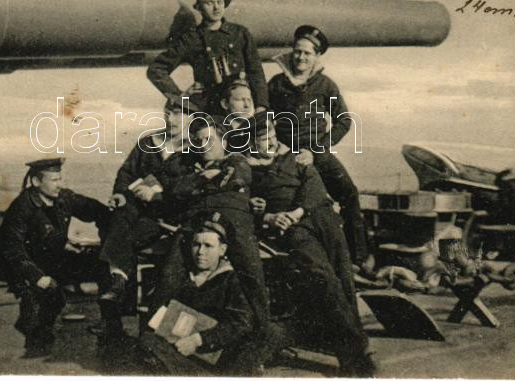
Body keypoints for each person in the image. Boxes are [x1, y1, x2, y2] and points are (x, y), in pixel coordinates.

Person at [246, 115, 375, 377]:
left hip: (320, 217)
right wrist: (267, 216)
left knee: (344, 279)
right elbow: (243, 202)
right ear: (251, 142)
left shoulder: (296, 157)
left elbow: (314, 184)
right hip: (294, 229)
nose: (271, 142)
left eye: (272, 136)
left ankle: (356, 350)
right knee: (324, 278)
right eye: (263, 139)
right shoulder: (247, 169)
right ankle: (354, 355)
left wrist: (297, 212)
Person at [151, 120, 279, 361]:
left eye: (209, 139)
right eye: (198, 141)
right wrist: (203, 179)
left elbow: (237, 178)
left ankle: (261, 341)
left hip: (234, 219)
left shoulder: (237, 160)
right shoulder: (192, 166)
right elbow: (173, 189)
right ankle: (154, 338)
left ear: (224, 141)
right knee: (169, 273)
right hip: (197, 221)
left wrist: (198, 185)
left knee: (251, 274)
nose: (203, 145)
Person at [268, 25, 371, 270]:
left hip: (316, 151)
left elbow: (344, 120)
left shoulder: (325, 85)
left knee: (349, 193)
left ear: (316, 56)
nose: (301, 57)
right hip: (286, 154)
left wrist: (316, 150)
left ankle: (358, 259)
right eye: (298, 51)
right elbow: (264, 117)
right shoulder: (276, 84)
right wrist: (277, 146)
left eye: (307, 53)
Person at [96, 100, 190, 342]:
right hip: (136, 207)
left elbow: (187, 189)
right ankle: (118, 281)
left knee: (119, 236)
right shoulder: (148, 143)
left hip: (165, 215)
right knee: (118, 215)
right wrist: (119, 193)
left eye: (179, 114)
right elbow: (127, 172)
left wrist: (156, 195)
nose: (171, 120)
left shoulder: (195, 148)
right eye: (168, 113)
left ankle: (118, 281)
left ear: (191, 118)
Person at [0, 158, 111, 357]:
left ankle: (111, 324)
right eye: (54, 180)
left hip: (57, 259)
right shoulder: (21, 208)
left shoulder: (63, 198)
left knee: (103, 264)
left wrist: (111, 224)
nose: (60, 184)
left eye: (60, 179)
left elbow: (96, 210)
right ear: (36, 181)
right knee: (38, 322)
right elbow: (12, 249)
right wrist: (36, 277)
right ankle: (33, 341)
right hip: (29, 268)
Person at [140, 218, 257, 375]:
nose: (200, 252)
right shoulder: (182, 278)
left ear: (222, 250)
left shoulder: (232, 280)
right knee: (147, 342)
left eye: (208, 246)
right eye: (196, 244)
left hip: (212, 356)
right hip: (176, 349)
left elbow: (241, 323)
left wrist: (199, 340)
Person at [147, 0, 268, 115]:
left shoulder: (240, 33)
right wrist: (181, 98)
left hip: (239, 108)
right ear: (198, 7)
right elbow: (156, 69)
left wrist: (261, 105)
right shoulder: (192, 38)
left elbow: (256, 72)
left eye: (219, 2)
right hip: (209, 110)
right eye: (209, 3)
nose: (216, 8)